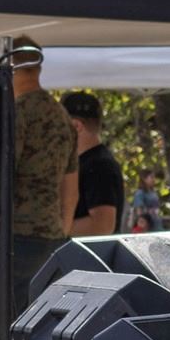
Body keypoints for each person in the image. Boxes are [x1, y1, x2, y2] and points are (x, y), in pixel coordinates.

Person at [7, 38, 76, 319]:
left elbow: (3, 177)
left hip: (19, 233)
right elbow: (71, 191)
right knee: (43, 319)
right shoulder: (62, 117)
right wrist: (62, 234)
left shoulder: (18, 113)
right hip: (52, 234)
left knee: (14, 322)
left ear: (12, 66)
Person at [60, 92, 125, 237]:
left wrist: (52, 232)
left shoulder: (99, 166)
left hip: (87, 258)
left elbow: (103, 225)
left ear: (76, 126)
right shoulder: (90, 162)